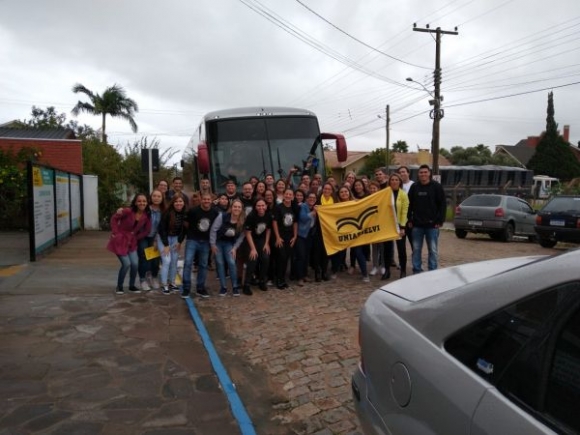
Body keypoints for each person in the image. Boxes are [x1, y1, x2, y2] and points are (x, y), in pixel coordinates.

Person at [107, 193, 152, 295]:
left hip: (131, 242)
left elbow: (147, 230)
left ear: (147, 203)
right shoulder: (128, 211)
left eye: (144, 201)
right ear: (135, 202)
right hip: (119, 240)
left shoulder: (146, 215)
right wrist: (115, 232)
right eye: (139, 201)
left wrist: (136, 237)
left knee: (135, 264)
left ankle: (132, 286)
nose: (142, 203)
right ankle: (119, 286)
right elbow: (114, 218)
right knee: (127, 264)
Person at [407, 164, 446, 273]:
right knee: (416, 249)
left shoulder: (437, 187)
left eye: (425, 172)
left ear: (429, 173)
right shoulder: (414, 187)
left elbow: (442, 204)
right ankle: (417, 269)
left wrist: (440, 220)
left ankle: (432, 271)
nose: (423, 174)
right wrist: (409, 219)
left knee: (433, 250)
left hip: (432, 225)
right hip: (417, 225)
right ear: (418, 174)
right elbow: (409, 204)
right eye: (421, 172)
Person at [182, 192, 220, 298]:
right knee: (188, 262)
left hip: (206, 241)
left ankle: (200, 287)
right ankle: (186, 287)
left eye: (208, 199)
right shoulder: (193, 211)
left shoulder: (215, 212)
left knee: (203, 264)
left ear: (211, 200)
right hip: (192, 239)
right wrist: (191, 232)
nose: (206, 201)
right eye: (204, 199)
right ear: (201, 200)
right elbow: (186, 222)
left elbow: (216, 226)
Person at [210, 199, 246, 297]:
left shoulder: (242, 221)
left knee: (231, 262)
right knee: (220, 263)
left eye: (239, 207)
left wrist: (235, 248)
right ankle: (223, 287)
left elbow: (242, 236)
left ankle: (234, 286)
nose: (237, 208)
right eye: (235, 206)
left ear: (241, 209)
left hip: (229, 243)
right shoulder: (222, 216)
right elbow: (213, 230)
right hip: (218, 242)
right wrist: (212, 244)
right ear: (231, 207)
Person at [157, 193, 187, 294]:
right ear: (173, 203)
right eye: (176, 201)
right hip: (164, 238)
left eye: (180, 201)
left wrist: (179, 241)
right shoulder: (167, 213)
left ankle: (172, 282)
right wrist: (165, 245)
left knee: (174, 261)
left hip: (175, 238)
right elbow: (162, 229)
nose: (178, 203)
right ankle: (164, 284)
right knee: (166, 260)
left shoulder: (185, 214)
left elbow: (184, 230)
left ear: (184, 203)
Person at [382, 173, 409, 279]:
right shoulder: (385, 194)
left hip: (399, 225)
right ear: (389, 182)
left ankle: (403, 271)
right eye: (392, 180)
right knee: (387, 249)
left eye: (396, 180)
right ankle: (387, 271)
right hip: (388, 225)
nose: (394, 181)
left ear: (400, 182)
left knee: (401, 249)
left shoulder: (403, 194)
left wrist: (402, 226)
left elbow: (404, 211)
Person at [137, 189, 165, 290]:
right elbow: (133, 212)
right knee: (144, 258)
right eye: (154, 196)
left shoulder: (163, 211)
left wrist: (156, 240)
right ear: (151, 197)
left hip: (154, 237)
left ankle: (153, 277)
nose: (156, 198)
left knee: (155, 259)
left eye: (159, 196)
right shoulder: (146, 209)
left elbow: (161, 227)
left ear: (162, 199)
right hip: (143, 237)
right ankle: (142, 279)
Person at [244, 198, 272, 294]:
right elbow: (247, 233)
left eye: (262, 205)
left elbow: (268, 229)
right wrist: (253, 249)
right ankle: (246, 284)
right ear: (255, 207)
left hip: (261, 240)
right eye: (258, 206)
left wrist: (266, 243)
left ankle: (261, 281)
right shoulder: (251, 216)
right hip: (251, 240)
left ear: (266, 206)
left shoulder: (268, 216)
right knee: (253, 259)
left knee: (265, 258)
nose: (261, 207)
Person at [272, 188, 299, 289]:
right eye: (286, 194)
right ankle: (279, 279)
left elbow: (295, 223)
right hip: (280, 236)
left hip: (290, 236)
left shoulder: (294, 208)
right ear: (283, 196)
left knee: (286, 258)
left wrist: (295, 236)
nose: (288, 196)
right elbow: (274, 222)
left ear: (292, 197)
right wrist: (277, 237)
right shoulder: (278, 207)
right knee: (281, 257)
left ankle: (283, 279)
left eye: (290, 194)